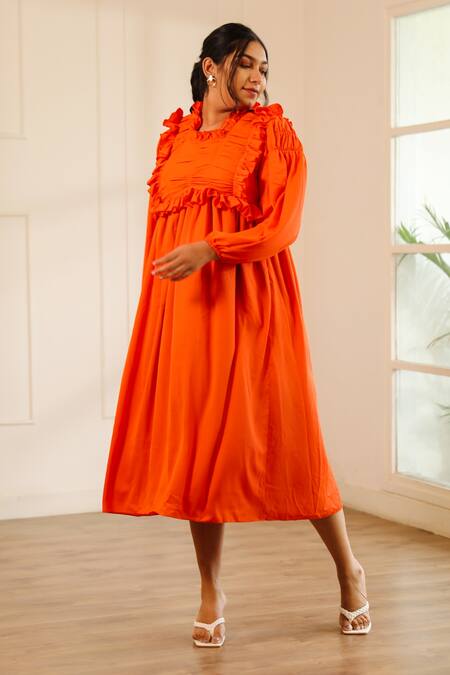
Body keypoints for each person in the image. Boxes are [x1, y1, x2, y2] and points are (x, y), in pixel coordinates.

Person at [102, 22, 371, 647]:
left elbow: (283, 227)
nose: (257, 78)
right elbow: (161, 238)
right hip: (187, 310)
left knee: (293, 442)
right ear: (209, 67)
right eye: (246, 64)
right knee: (201, 452)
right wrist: (156, 312)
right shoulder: (174, 141)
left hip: (254, 306)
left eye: (264, 68)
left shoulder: (273, 134)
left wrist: (213, 248)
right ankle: (210, 591)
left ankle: (349, 570)